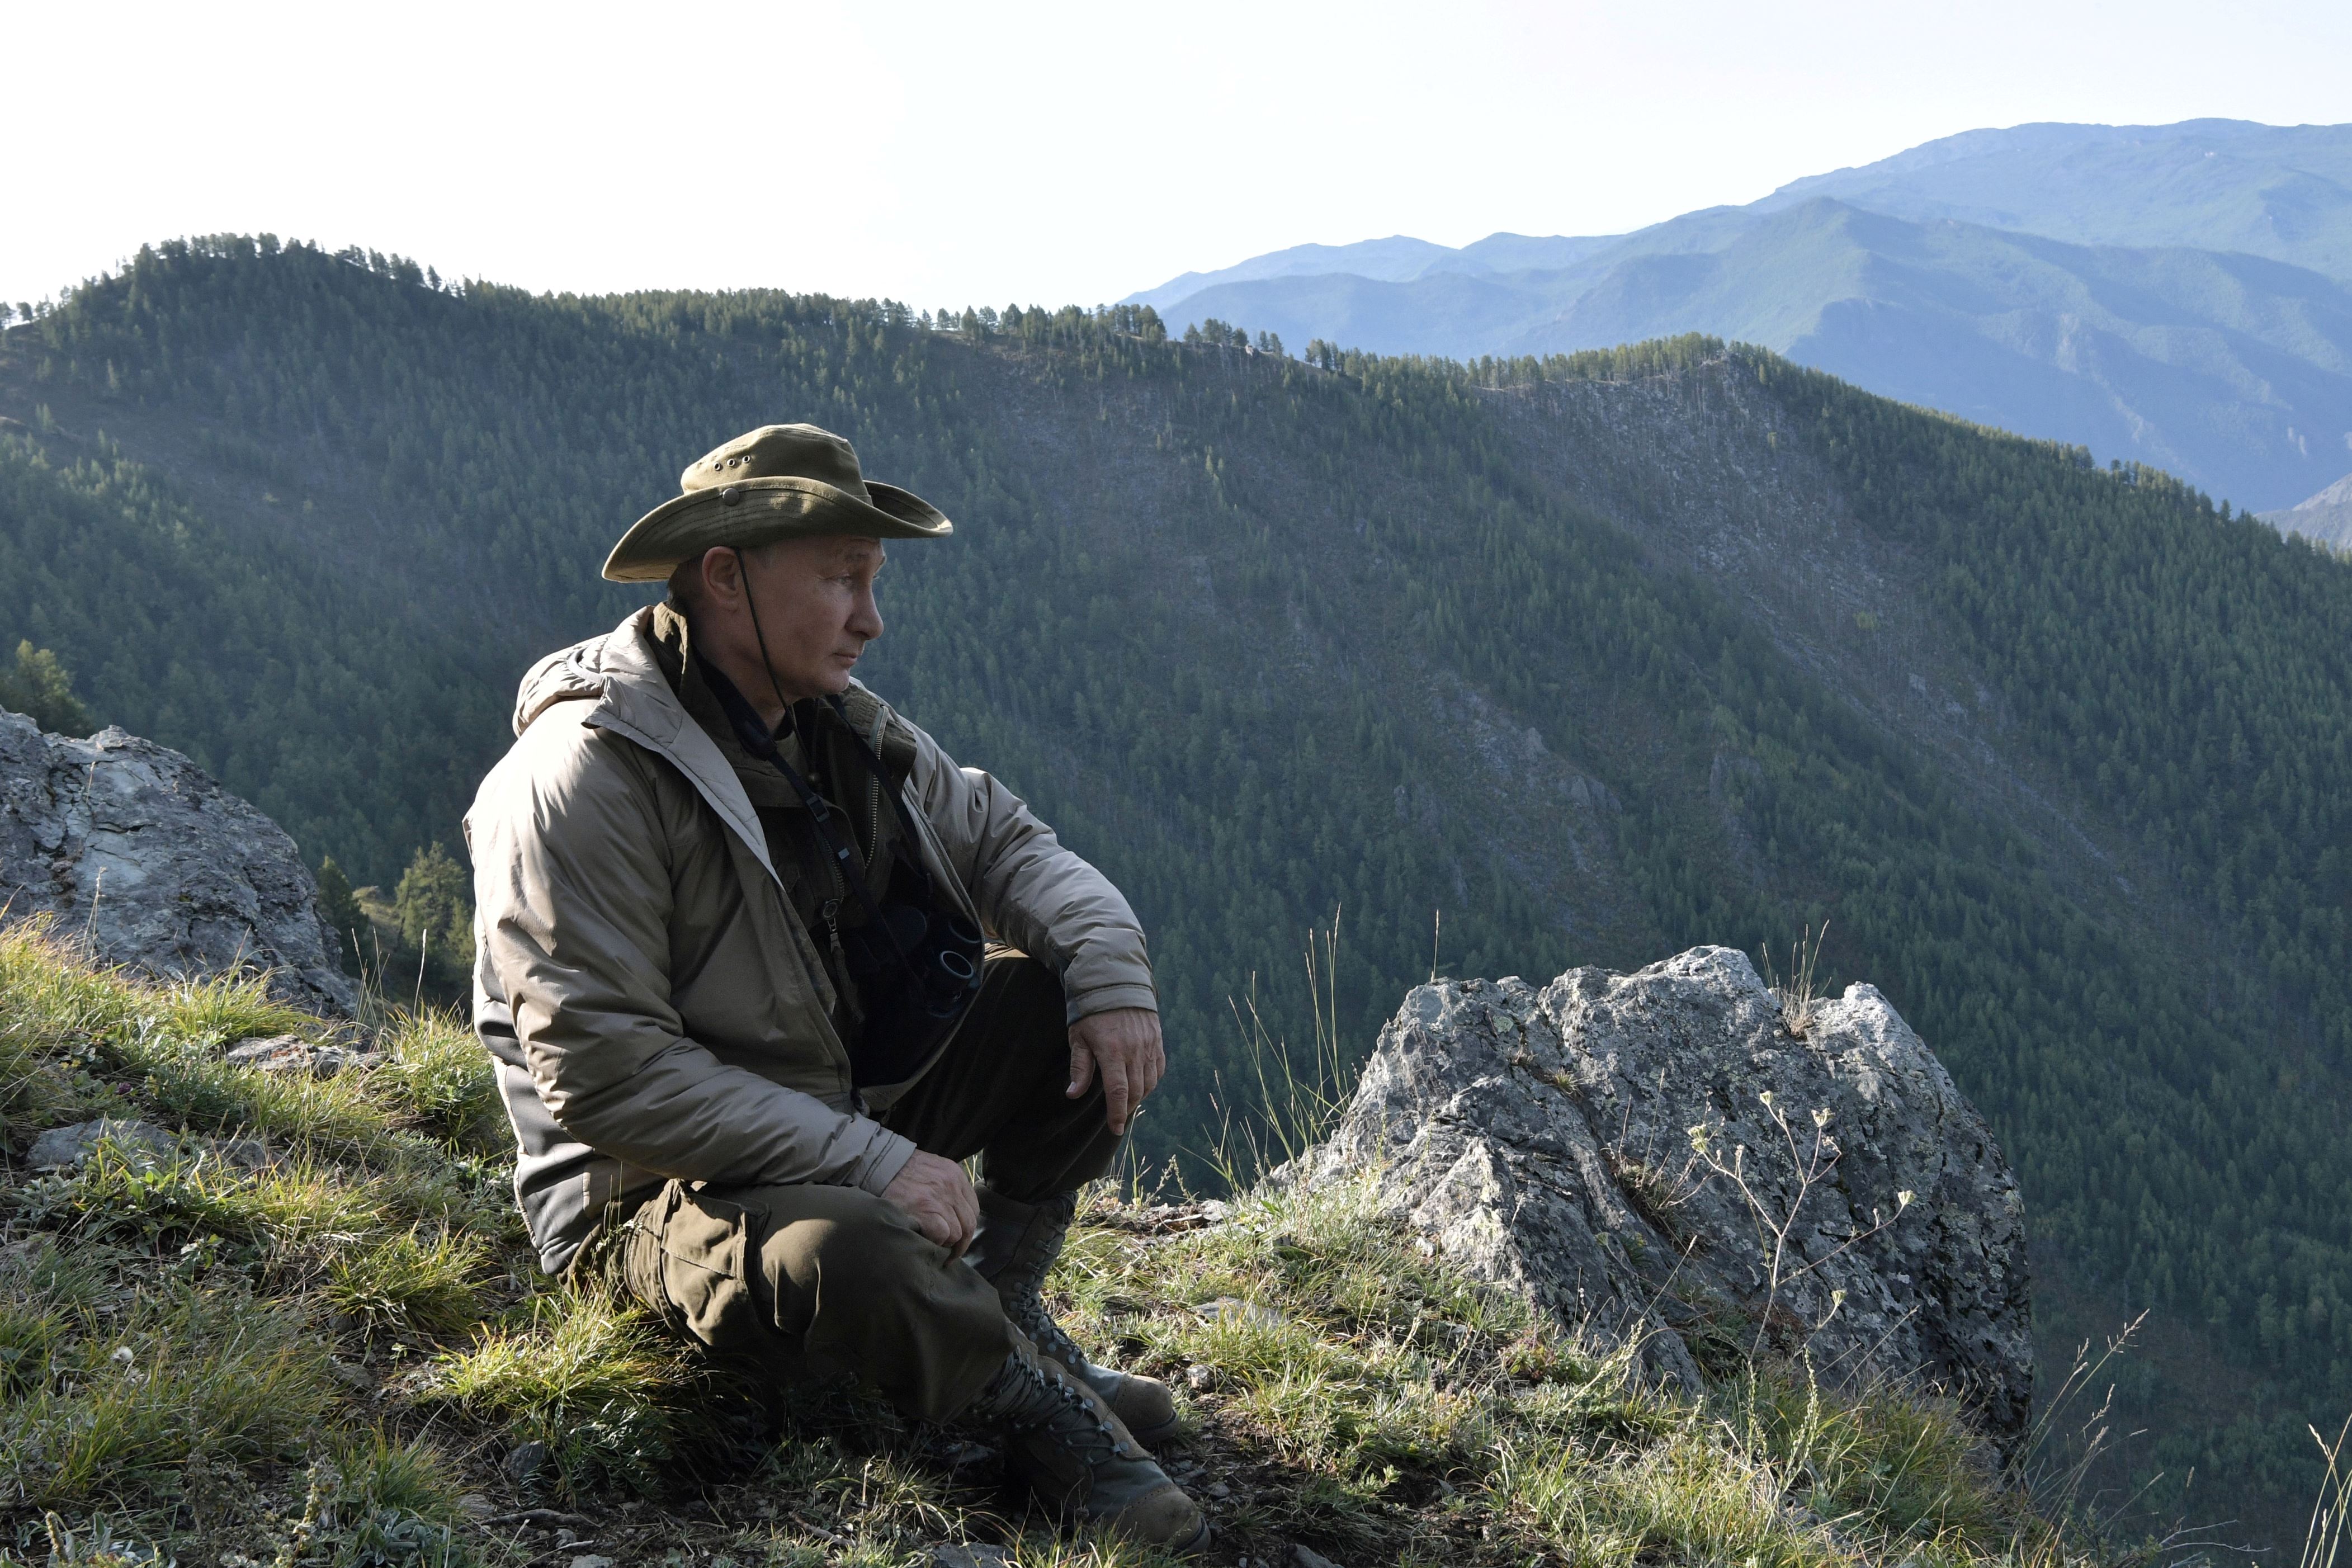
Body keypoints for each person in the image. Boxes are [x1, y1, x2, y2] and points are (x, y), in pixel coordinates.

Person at [465, 424, 1206, 1551]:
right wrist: (869, 1159)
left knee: (1054, 1001)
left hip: (829, 1115)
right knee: (840, 1248)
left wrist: (1108, 977)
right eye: (841, 579)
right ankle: (1031, 1414)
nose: (871, 618)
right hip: (651, 1199)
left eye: (872, 580)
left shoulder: (834, 731)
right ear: (727, 578)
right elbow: (607, 1074)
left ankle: (1002, 1312)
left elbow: (1006, 843)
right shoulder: (585, 774)